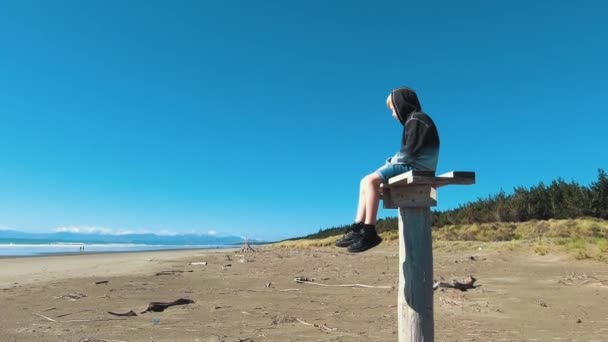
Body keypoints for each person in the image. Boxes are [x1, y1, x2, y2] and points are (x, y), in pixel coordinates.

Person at [336, 87, 440, 253]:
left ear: (402, 104)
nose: (393, 114)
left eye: (393, 108)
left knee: (371, 181)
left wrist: (390, 162)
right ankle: (357, 228)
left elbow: (409, 153)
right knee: (365, 181)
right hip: (417, 164)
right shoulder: (415, 120)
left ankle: (369, 230)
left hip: (418, 166)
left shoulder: (416, 119)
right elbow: (409, 151)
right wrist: (392, 161)